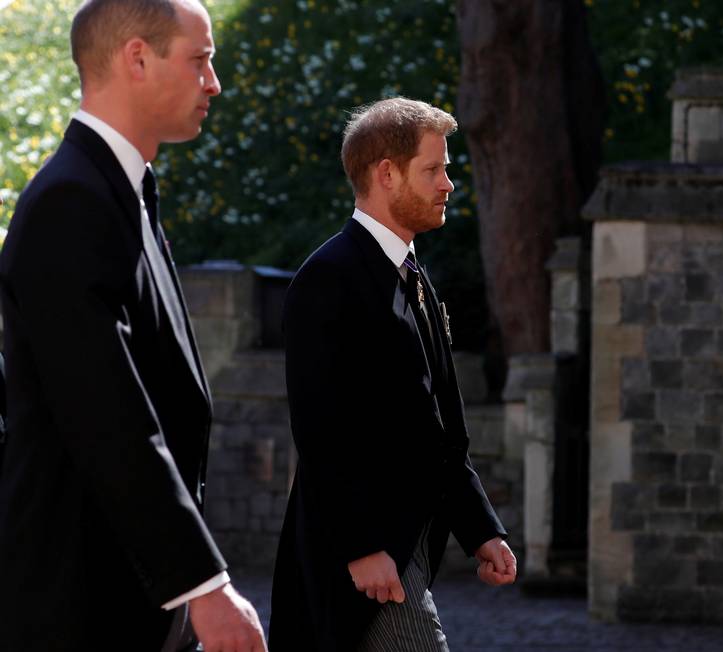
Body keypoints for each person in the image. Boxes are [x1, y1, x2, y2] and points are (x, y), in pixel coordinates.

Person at [0, 1, 267, 650]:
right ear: (137, 59)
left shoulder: (122, 192)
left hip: (130, 600)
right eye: (201, 60)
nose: (215, 83)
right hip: (80, 606)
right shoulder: (72, 202)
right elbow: (107, 416)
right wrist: (204, 586)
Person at [270, 97, 517, 652]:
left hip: (405, 549)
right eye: (433, 169)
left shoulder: (415, 278)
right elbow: (319, 429)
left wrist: (480, 528)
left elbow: (438, 426)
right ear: (386, 173)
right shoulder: (327, 278)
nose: (448, 184)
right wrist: (360, 547)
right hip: (361, 559)